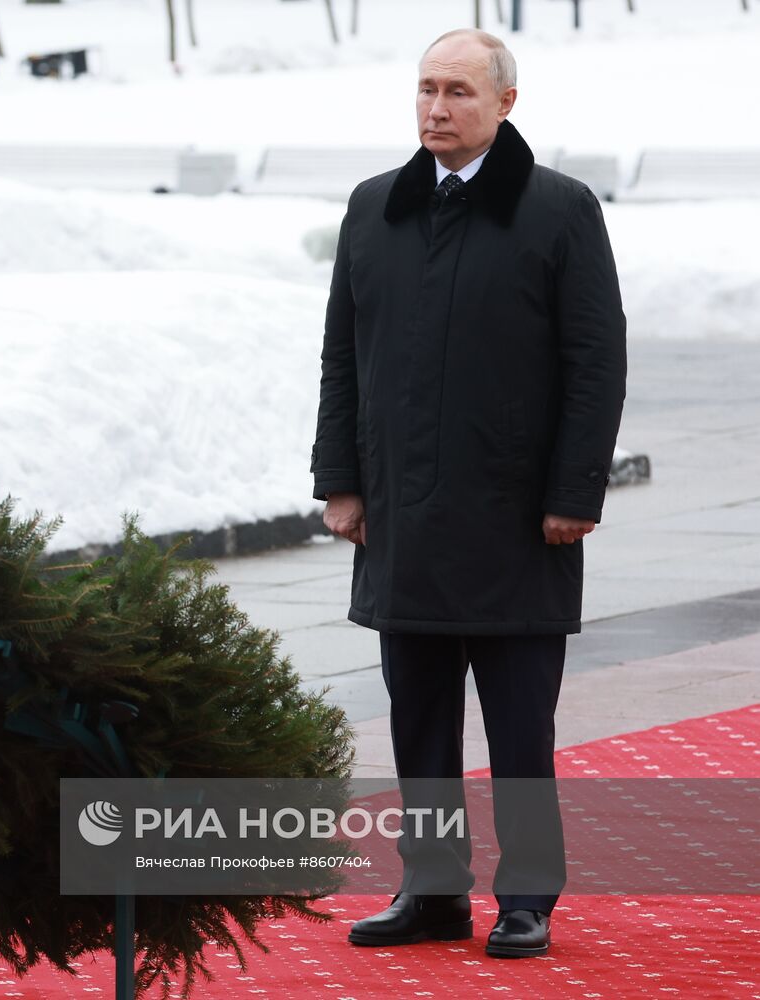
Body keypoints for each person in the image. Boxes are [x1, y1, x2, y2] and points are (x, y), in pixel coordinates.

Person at [310, 28, 627, 958]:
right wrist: (340, 481)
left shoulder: (559, 210)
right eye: (424, 89)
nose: (435, 107)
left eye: (456, 91)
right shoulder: (374, 209)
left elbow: (594, 361)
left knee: (519, 725)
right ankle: (433, 891)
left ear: (504, 103)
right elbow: (341, 357)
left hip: (519, 520)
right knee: (417, 722)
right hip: (401, 519)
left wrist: (575, 491)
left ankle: (525, 897)